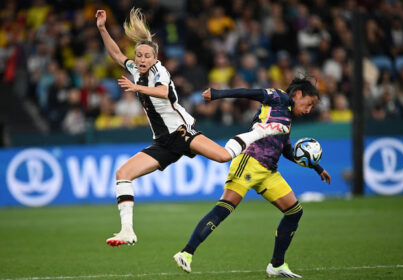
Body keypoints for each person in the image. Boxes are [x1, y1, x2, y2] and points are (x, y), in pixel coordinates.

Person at [95, 9, 290, 247]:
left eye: (147, 55)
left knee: (222, 156)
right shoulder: (136, 70)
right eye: (138, 55)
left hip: (181, 132)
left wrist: (137, 89)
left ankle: (262, 130)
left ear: (155, 58)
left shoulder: (160, 71)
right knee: (122, 174)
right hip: (163, 142)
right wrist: (103, 28)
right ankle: (127, 231)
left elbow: (163, 92)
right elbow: (116, 54)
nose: (142, 59)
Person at [173, 77, 331, 278]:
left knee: (294, 212)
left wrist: (317, 167)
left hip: (268, 172)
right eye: (309, 104)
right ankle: (186, 253)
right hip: (249, 161)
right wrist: (217, 94)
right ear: (298, 94)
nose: (309, 110)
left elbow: (286, 150)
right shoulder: (278, 97)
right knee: (224, 207)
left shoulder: (287, 117)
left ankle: (276, 265)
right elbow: (250, 93)